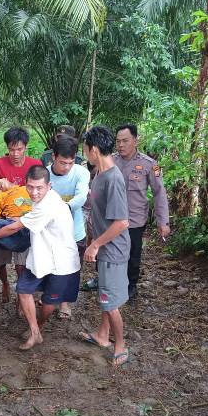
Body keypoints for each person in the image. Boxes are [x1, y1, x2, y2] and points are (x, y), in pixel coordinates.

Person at [0, 166, 81, 351]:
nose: (34, 192)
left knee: (49, 302)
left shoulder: (48, 205)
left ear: (49, 186)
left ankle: (38, 328)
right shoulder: (41, 198)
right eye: (30, 187)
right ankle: (35, 332)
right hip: (42, 255)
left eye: (39, 188)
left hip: (61, 262)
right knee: (24, 290)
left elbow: (14, 227)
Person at [80, 126, 131, 367]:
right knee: (106, 295)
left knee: (110, 303)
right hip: (104, 247)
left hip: (113, 249)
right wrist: (93, 240)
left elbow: (122, 222)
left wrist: (96, 245)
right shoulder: (99, 174)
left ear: (95, 149)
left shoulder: (113, 178)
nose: (84, 152)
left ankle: (120, 345)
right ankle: (102, 335)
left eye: (85, 148)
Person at [113, 124, 170, 298]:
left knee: (132, 254)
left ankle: (131, 285)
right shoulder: (111, 161)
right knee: (110, 252)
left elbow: (160, 193)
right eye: (118, 141)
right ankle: (109, 282)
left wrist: (163, 221)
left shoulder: (151, 165)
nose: (121, 145)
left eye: (125, 141)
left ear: (136, 141)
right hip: (112, 218)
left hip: (134, 220)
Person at [0, 127, 42, 303]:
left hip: (26, 222)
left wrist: (12, 187)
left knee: (22, 264)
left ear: (26, 147)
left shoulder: (35, 166)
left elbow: (39, 194)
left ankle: (21, 293)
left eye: (19, 149)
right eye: (11, 149)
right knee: (0, 262)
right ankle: (5, 283)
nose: (15, 153)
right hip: (3, 221)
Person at [47, 136, 90, 319]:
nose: (66, 167)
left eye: (70, 163)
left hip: (75, 232)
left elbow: (81, 197)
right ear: (53, 157)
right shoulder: (44, 174)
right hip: (50, 232)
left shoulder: (81, 173)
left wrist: (63, 208)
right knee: (50, 265)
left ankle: (64, 303)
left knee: (72, 268)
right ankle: (49, 296)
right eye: (62, 162)